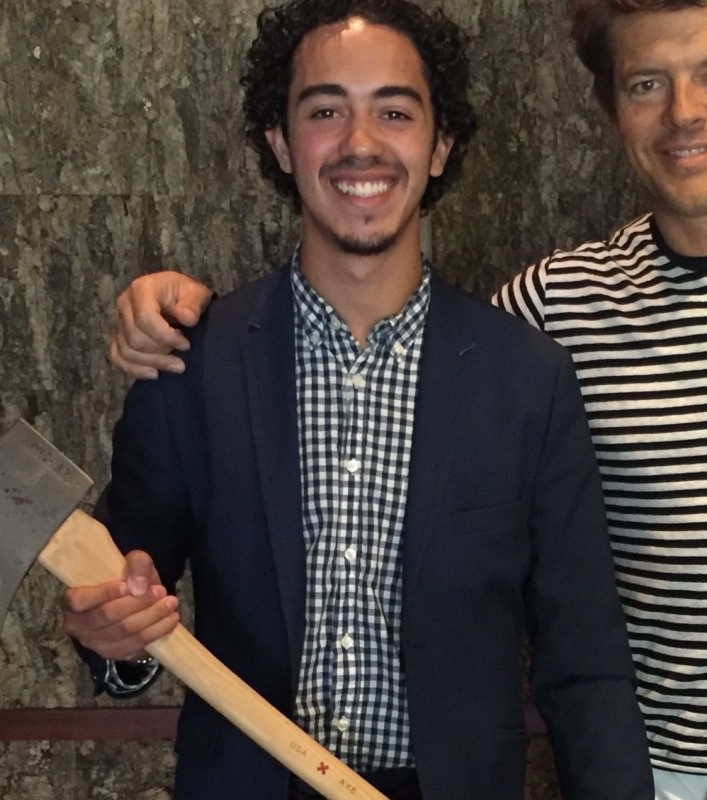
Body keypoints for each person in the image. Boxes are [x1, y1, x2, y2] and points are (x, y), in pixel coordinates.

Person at [105, 1, 707, 798]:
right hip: (649, 767)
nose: (685, 114)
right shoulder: (556, 310)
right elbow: (118, 597)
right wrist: (171, 309)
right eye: (646, 84)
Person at [61, 1, 654, 799]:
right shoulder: (192, 366)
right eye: (326, 110)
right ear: (280, 140)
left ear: (440, 145)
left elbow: (584, 659)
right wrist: (114, 638)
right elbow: (125, 598)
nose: (360, 143)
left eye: (396, 111)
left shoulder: (526, 379)